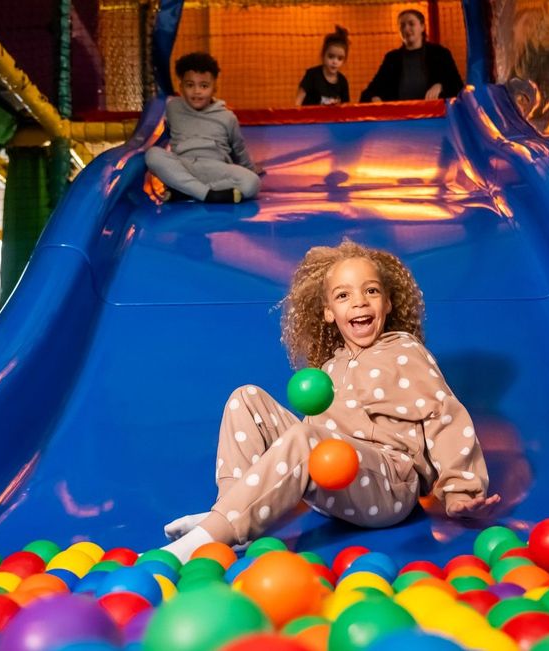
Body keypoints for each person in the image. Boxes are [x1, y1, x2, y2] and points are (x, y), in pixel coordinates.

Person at [161, 240, 501, 561]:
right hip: (331, 477)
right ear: (328, 312)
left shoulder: (404, 351)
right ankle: (230, 515)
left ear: (388, 303)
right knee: (245, 398)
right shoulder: (330, 366)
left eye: (371, 291)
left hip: (387, 486)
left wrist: (461, 491)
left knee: (307, 440)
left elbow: (444, 416)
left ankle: (206, 538)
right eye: (343, 295)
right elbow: (315, 431)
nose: (360, 302)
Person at [145, 52, 261, 203]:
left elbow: (239, 149)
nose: (197, 91)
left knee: (252, 183)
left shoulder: (227, 117)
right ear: (181, 87)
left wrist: (250, 169)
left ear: (214, 88)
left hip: (216, 169)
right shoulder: (173, 108)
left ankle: (187, 191)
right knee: (152, 155)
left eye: (204, 86)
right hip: (184, 165)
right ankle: (210, 195)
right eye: (190, 85)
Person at [359, 9, 464, 103]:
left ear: (422, 27)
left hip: (433, 115)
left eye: (411, 24)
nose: (406, 29)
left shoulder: (440, 54)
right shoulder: (392, 59)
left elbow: (457, 86)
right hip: (401, 115)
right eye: (402, 25)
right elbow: (370, 91)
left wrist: (441, 86)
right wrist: (374, 97)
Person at [296, 26, 351, 106]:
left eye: (340, 58)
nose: (335, 62)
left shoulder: (343, 81)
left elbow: (345, 106)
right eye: (331, 56)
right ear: (323, 55)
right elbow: (298, 101)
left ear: (344, 60)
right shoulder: (312, 75)